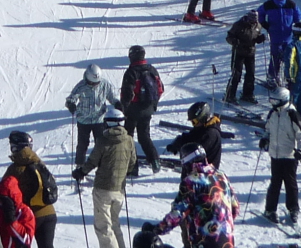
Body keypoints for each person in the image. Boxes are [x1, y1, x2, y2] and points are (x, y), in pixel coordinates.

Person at [0, 131, 68, 248]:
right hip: (49, 214)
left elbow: (4, 193)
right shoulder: (38, 162)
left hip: (30, 217)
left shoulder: (16, 168)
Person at [76, 108, 136, 248]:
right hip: (119, 190)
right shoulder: (129, 140)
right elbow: (132, 162)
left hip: (103, 188)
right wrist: (124, 172)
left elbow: (93, 161)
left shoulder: (103, 140)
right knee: (114, 222)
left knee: (103, 226)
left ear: (108, 122)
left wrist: (81, 172)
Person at [260, 85, 301, 228]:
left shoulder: (292, 114)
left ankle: (293, 208)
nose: (273, 104)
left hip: (290, 155)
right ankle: (270, 209)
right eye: (272, 101)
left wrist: (300, 151)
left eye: (275, 101)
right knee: (275, 183)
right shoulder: (273, 113)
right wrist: (265, 138)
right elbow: (267, 129)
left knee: (290, 183)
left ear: (283, 99)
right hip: (275, 154)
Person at [119, 46, 164, 175]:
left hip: (133, 110)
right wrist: (152, 105)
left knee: (128, 137)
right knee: (144, 136)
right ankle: (155, 161)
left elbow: (127, 93)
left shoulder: (131, 72)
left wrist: (124, 108)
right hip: (148, 108)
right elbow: (160, 89)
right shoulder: (152, 70)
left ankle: (132, 167)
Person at [67, 65, 122, 163]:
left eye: (96, 83)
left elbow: (111, 97)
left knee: (101, 144)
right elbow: (71, 98)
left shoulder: (104, 84)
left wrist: (117, 103)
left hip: (99, 120)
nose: (94, 84)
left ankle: (102, 165)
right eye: (92, 83)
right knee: (82, 145)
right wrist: (71, 104)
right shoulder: (81, 86)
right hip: (83, 120)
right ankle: (80, 165)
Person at [256, 0, 301, 89]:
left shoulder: (290, 4)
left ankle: (289, 78)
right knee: (275, 58)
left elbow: (298, 15)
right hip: (275, 36)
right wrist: (264, 23)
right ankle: (272, 77)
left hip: (288, 37)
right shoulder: (269, 5)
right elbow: (259, 13)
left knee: (289, 58)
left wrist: (298, 24)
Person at [165, 102, 222, 169]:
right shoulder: (203, 127)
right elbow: (192, 136)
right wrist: (179, 141)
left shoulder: (210, 134)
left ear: (203, 117)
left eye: (194, 121)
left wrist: (181, 147)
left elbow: (195, 151)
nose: (193, 124)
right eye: (192, 122)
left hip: (205, 172)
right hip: (196, 170)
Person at [224, 12, 265, 105]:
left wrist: (260, 39)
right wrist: (234, 41)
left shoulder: (258, 25)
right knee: (236, 74)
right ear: (248, 18)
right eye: (251, 20)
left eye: (255, 20)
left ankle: (247, 94)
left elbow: (256, 36)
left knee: (251, 74)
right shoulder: (239, 25)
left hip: (250, 53)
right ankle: (230, 95)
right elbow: (229, 36)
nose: (253, 22)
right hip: (238, 52)